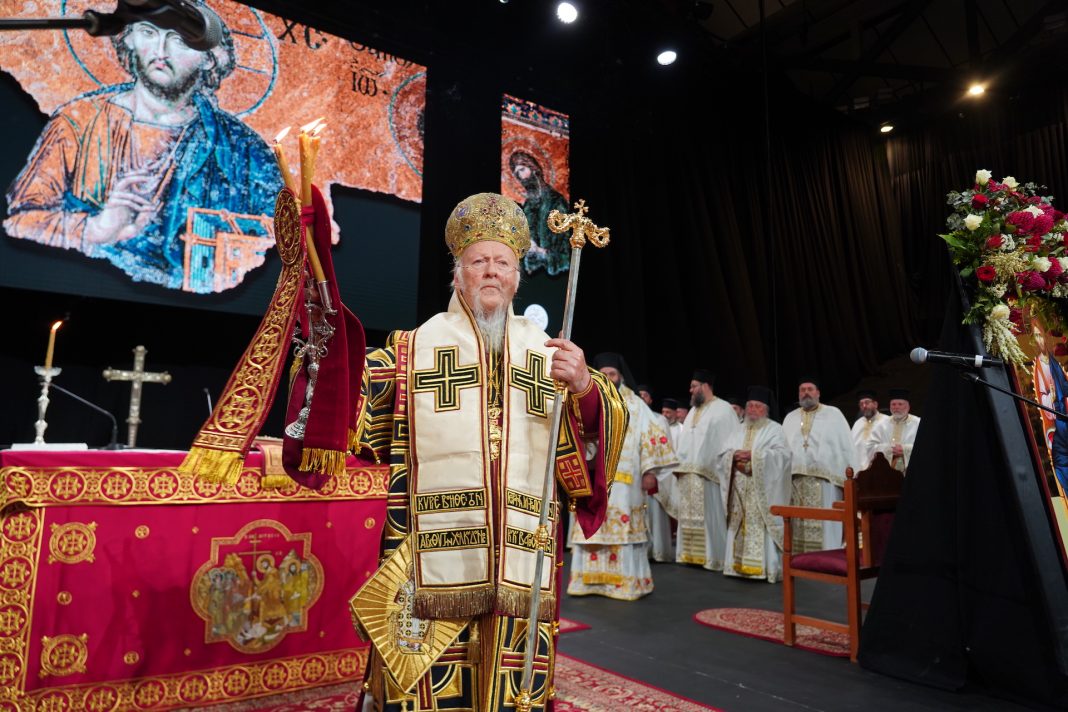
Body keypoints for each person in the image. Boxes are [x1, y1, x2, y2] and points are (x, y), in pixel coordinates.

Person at [349, 193, 628, 712]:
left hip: (524, 550)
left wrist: (586, 385)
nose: (491, 272)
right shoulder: (413, 350)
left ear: (518, 277)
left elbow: (600, 425)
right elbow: (355, 404)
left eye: (503, 262)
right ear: (459, 274)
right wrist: (322, 358)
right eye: (479, 261)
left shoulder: (548, 352)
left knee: (508, 690)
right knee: (430, 687)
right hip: (432, 552)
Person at [4, 4, 283, 290]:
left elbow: (280, 230)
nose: (160, 51)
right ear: (129, 39)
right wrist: (96, 229)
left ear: (210, 58)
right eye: (148, 33)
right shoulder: (78, 123)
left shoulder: (243, 149)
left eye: (180, 40)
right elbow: (20, 221)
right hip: (77, 290)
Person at [568, 353, 676, 598]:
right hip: (593, 479)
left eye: (612, 374)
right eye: (603, 373)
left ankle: (625, 583)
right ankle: (587, 582)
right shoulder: (588, 399)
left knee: (624, 533)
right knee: (592, 528)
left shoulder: (635, 403)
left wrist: (650, 470)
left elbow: (653, 433)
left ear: (621, 376)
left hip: (627, 483)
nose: (608, 378)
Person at [667, 369, 741, 570]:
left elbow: (731, 442)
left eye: (694, 386)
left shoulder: (724, 409)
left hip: (710, 476)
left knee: (710, 518)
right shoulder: (693, 411)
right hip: (688, 475)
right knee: (688, 518)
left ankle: (713, 557)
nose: (690, 390)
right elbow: (685, 442)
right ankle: (690, 555)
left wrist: (718, 464)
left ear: (705, 386)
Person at [716, 386, 792, 582]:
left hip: (762, 490)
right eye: (749, 406)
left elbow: (783, 457)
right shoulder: (737, 429)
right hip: (739, 488)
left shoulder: (775, 429)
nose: (752, 410)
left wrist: (754, 456)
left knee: (760, 526)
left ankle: (765, 569)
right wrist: (733, 456)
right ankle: (736, 567)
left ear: (765, 409)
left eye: (757, 406)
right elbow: (722, 455)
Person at [782, 378, 856, 553]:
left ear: (818, 393)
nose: (806, 393)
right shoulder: (790, 418)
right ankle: (799, 558)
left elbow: (845, 447)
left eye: (810, 389)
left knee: (827, 523)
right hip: (796, 481)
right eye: (802, 390)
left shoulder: (834, 414)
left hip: (826, 482)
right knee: (799, 522)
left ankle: (828, 556)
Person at [509, 151, 570, 276]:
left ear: (533, 168)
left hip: (556, 275)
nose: (521, 177)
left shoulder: (556, 201)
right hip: (532, 274)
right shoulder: (527, 205)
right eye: (517, 174)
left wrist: (542, 252)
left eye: (522, 170)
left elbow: (566, 248)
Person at [1030, 320, 1068, 493]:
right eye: (1036, 336)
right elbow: (1041, 395)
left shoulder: (1052, 361)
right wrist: (1051, 397)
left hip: (1064, 415)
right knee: (1061, 461)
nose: (1040, 340)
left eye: (1041, 335)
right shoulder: (1039, 365)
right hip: (1056, 420)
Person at [870, 388, 922, 472]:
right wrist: (888, 449)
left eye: (900, 404)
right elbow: (871, 446)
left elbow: (926, 446)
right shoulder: (881, 424)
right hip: (886, 472)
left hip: (912, 471)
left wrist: (905, 449)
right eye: (893, 404)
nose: (896, 407)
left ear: (908, 407)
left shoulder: (918, 423)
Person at [851, 389, 889, 469]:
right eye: (861, 404)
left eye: (867, 403)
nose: (864, 406)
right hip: (858, 471)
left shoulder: (887, 421)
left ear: (875, 404)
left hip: (879, 469)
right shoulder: (858, 423)